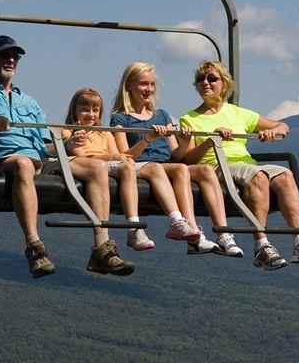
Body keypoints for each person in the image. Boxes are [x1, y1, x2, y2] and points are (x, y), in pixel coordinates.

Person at [0, 35, 135, 279]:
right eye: (4, 55)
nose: (10, 60)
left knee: (96, 168)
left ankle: (102, 248)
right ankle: (35, 248)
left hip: (42, 161)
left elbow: (46, 146)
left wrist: (67, 144)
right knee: (23, 163)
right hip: (3, 160)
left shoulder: (28, 101)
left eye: (14, 56)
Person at [179, 60, 299, 270]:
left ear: (224, 84)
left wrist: (273, 132)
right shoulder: (190, 119)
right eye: (200, 79)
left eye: (211, 78)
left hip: (247, 164)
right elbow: (187, 159)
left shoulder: (237, 113)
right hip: (218, 166)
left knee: (284, 175)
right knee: (258, 177)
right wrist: (210, 141)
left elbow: (281, 125)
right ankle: (262, 243)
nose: (205, 83)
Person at [110, 62, 242, 257]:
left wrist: (185, 140)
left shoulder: (162, 115)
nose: (149, 90)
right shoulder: (120, 118)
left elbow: (177, 155)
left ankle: (203, 233)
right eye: (143, 84)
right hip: (142, 165)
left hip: (166, 165)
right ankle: (178, 222)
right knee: (161, 168)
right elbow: (125, 156)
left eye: (152, 85)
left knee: (198, 169)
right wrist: (148, 139)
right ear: (129, 85)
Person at [63, 87, 201, 251]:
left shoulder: (105, 134)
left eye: (95, 110)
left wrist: (132, 148)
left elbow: (119, 154)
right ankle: (133, 226)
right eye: (85, 110)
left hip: (108, 164)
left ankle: (139, 226)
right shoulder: (70, 132)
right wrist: (113, 157)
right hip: (88, 166)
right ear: (75, 111)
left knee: (128, 166)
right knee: (124, 165)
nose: (90, 114)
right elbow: (82, 156)